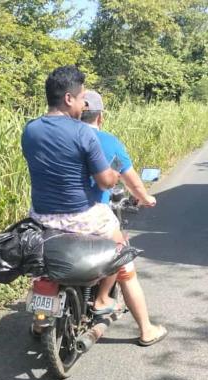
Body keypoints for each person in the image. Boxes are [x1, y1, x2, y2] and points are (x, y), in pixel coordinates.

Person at [21, 65, 167, 347]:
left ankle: (41, 319)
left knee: (42, 267)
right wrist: (112, 173)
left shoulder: (30, 130)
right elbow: (104, 183)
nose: (83, 104)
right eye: (81, 98)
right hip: (83, 217)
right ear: (68, 99)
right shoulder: (83, 133)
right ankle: (140, 325)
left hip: (41, 218)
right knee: (122, 253)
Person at [81, 89, 167, 347]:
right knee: (122, 258)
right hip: (94, 218)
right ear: (100, 117)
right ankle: (144, 328)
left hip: (53, 218)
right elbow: (131, 182)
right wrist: (146, 198)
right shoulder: (107, 143)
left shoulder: (60, 139)